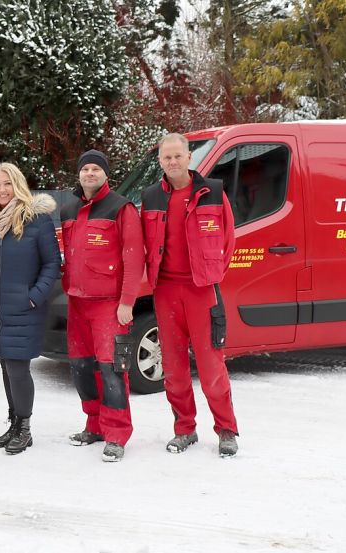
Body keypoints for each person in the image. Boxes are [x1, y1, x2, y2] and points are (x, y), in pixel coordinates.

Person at [140, 133, 239, 456]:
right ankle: (184, 429)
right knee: (173, 367)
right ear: (160, 161)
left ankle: (226, 430)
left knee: (211, 366)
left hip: (201, 291)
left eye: (177, 156)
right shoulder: (152, 196)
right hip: (166, 291)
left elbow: (228, 237)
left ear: (188, 157)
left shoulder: (212, 191)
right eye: (166, 157)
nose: (172, 162)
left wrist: (212, 273)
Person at [60, 149, 145, 462]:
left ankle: (117, 433)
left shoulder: (121, 208)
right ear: (79, 174)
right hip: (77, 303)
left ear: (106, 174)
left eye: (96, 169)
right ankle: (93, 425)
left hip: (110, 306)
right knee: (82, 368)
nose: (90, 174)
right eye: (85, 169)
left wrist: (127, 302)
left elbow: (134, 259)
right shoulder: (69, 208)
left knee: (112, 369)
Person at [0, 162, 60, 455]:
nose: (1, 190)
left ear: (18, 185)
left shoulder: (36, 220)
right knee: (4, 364)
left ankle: (24, 428)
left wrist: (34, 296)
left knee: (17, 367)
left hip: (25, 307)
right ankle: (13, 423)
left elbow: (52, 263)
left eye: (7, 184)